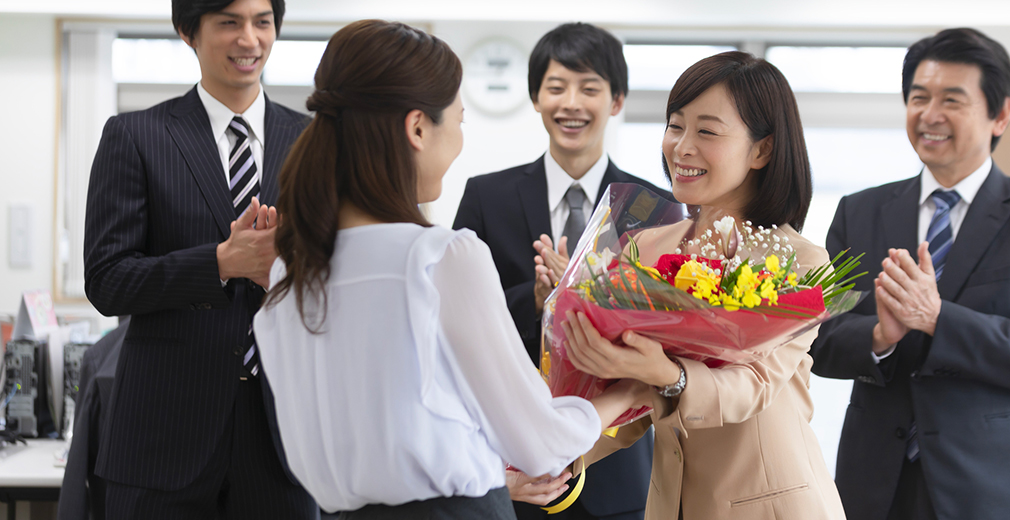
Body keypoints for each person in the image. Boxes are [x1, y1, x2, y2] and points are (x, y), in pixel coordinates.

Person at [252, 19, 649, 519]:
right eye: (459, 121)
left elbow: (396, 422)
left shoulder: (288, 271)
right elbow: (542, 440)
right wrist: (633, 390)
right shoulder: (440, 255)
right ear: (418, 128)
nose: (459, 140)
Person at [560, 51, 846, 520]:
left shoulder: (799, 261)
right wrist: (559, 452)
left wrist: (668, 375)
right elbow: (626, 393)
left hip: (772, 505)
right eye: (675, 126)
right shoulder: (643, 249)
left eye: (706, 131)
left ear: (762, 150)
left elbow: (753, 386)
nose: (681, 147)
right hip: (672, 505)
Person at [808, 28, 1010, 520]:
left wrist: (937, 318)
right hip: (876, 486)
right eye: (918, 97)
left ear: (1000, 115)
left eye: (951, 99)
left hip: (995, 489)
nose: (929, 114)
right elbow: (817, 339)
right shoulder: (859, 212)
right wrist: (877, 334)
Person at [81, 0, 316, 517]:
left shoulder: (314, 142)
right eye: (229, 22)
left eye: (262, 22)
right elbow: (106, 280)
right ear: (188, 31)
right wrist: (219, 263)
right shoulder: (135, 135)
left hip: (286, 437)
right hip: (164, 435)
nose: (249, 40)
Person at [452, 22, 660, 519]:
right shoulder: (487, 196)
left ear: (616, 101)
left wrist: (587, 296)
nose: (572, 103)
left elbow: (666, 329)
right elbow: (456, 321)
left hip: (618, 467)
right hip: (511, 464)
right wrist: (538, 299)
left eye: (590, 88)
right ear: (535, 97)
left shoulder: (653, 207)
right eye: (556, 87)